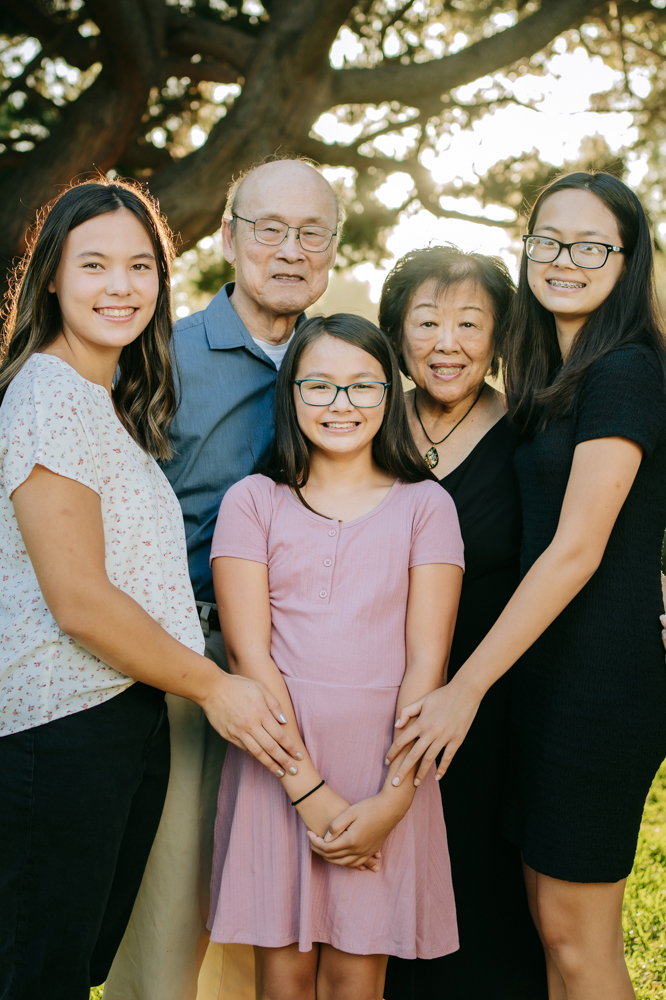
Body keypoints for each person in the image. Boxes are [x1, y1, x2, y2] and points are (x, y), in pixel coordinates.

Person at [0, 180, 300, 1000]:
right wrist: (216, 688)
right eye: (93, 264)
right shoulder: (48, 394)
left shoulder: (104, 403)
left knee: (68, 964)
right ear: (50, 277)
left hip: (116, 717)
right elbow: (80, 600)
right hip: (59, 725)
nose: (122, 286)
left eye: (141, 266)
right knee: (37, 970)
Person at [386, 172, 666, 1000]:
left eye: (591, 246)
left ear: (626, 260)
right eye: (549, 241)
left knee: (580, 944)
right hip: (546, 680)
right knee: (548, 927)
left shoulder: (624, 371)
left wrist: (464, 688)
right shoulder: (562, 379)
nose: (565, 260)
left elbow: (577, 549)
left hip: (597, 690)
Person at [104, 157, 342, 1000]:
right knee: (174, 898)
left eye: (310, 232)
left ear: (332, 250)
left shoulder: (344, 363)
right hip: (188, 655)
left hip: (314, 668)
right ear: (231, 237)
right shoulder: (159, 352)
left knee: (275, 904)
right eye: (268, 229)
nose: (288, 250)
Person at [208, 314, 464, 1000]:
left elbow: (426, 667)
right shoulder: (253, 502)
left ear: (390, 396)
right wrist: (306, 790)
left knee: (357, 977)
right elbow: (247, 654)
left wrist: (393, 800)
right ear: (290, 393)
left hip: (384, 770)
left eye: (362, 386)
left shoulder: (427, 507)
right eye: (319, 386)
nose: (341, 405)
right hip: (280, 767)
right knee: (282, 981)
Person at [364, 246, 546, 999]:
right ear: (397, 333)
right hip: (376, 701)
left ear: (500, 335)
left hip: (489, 700)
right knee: (379, 906)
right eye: (428, 321)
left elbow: (583, 547)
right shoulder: (365, 423)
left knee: (483, 899)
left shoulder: (531, 434)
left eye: (471, 323)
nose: (448, 343)